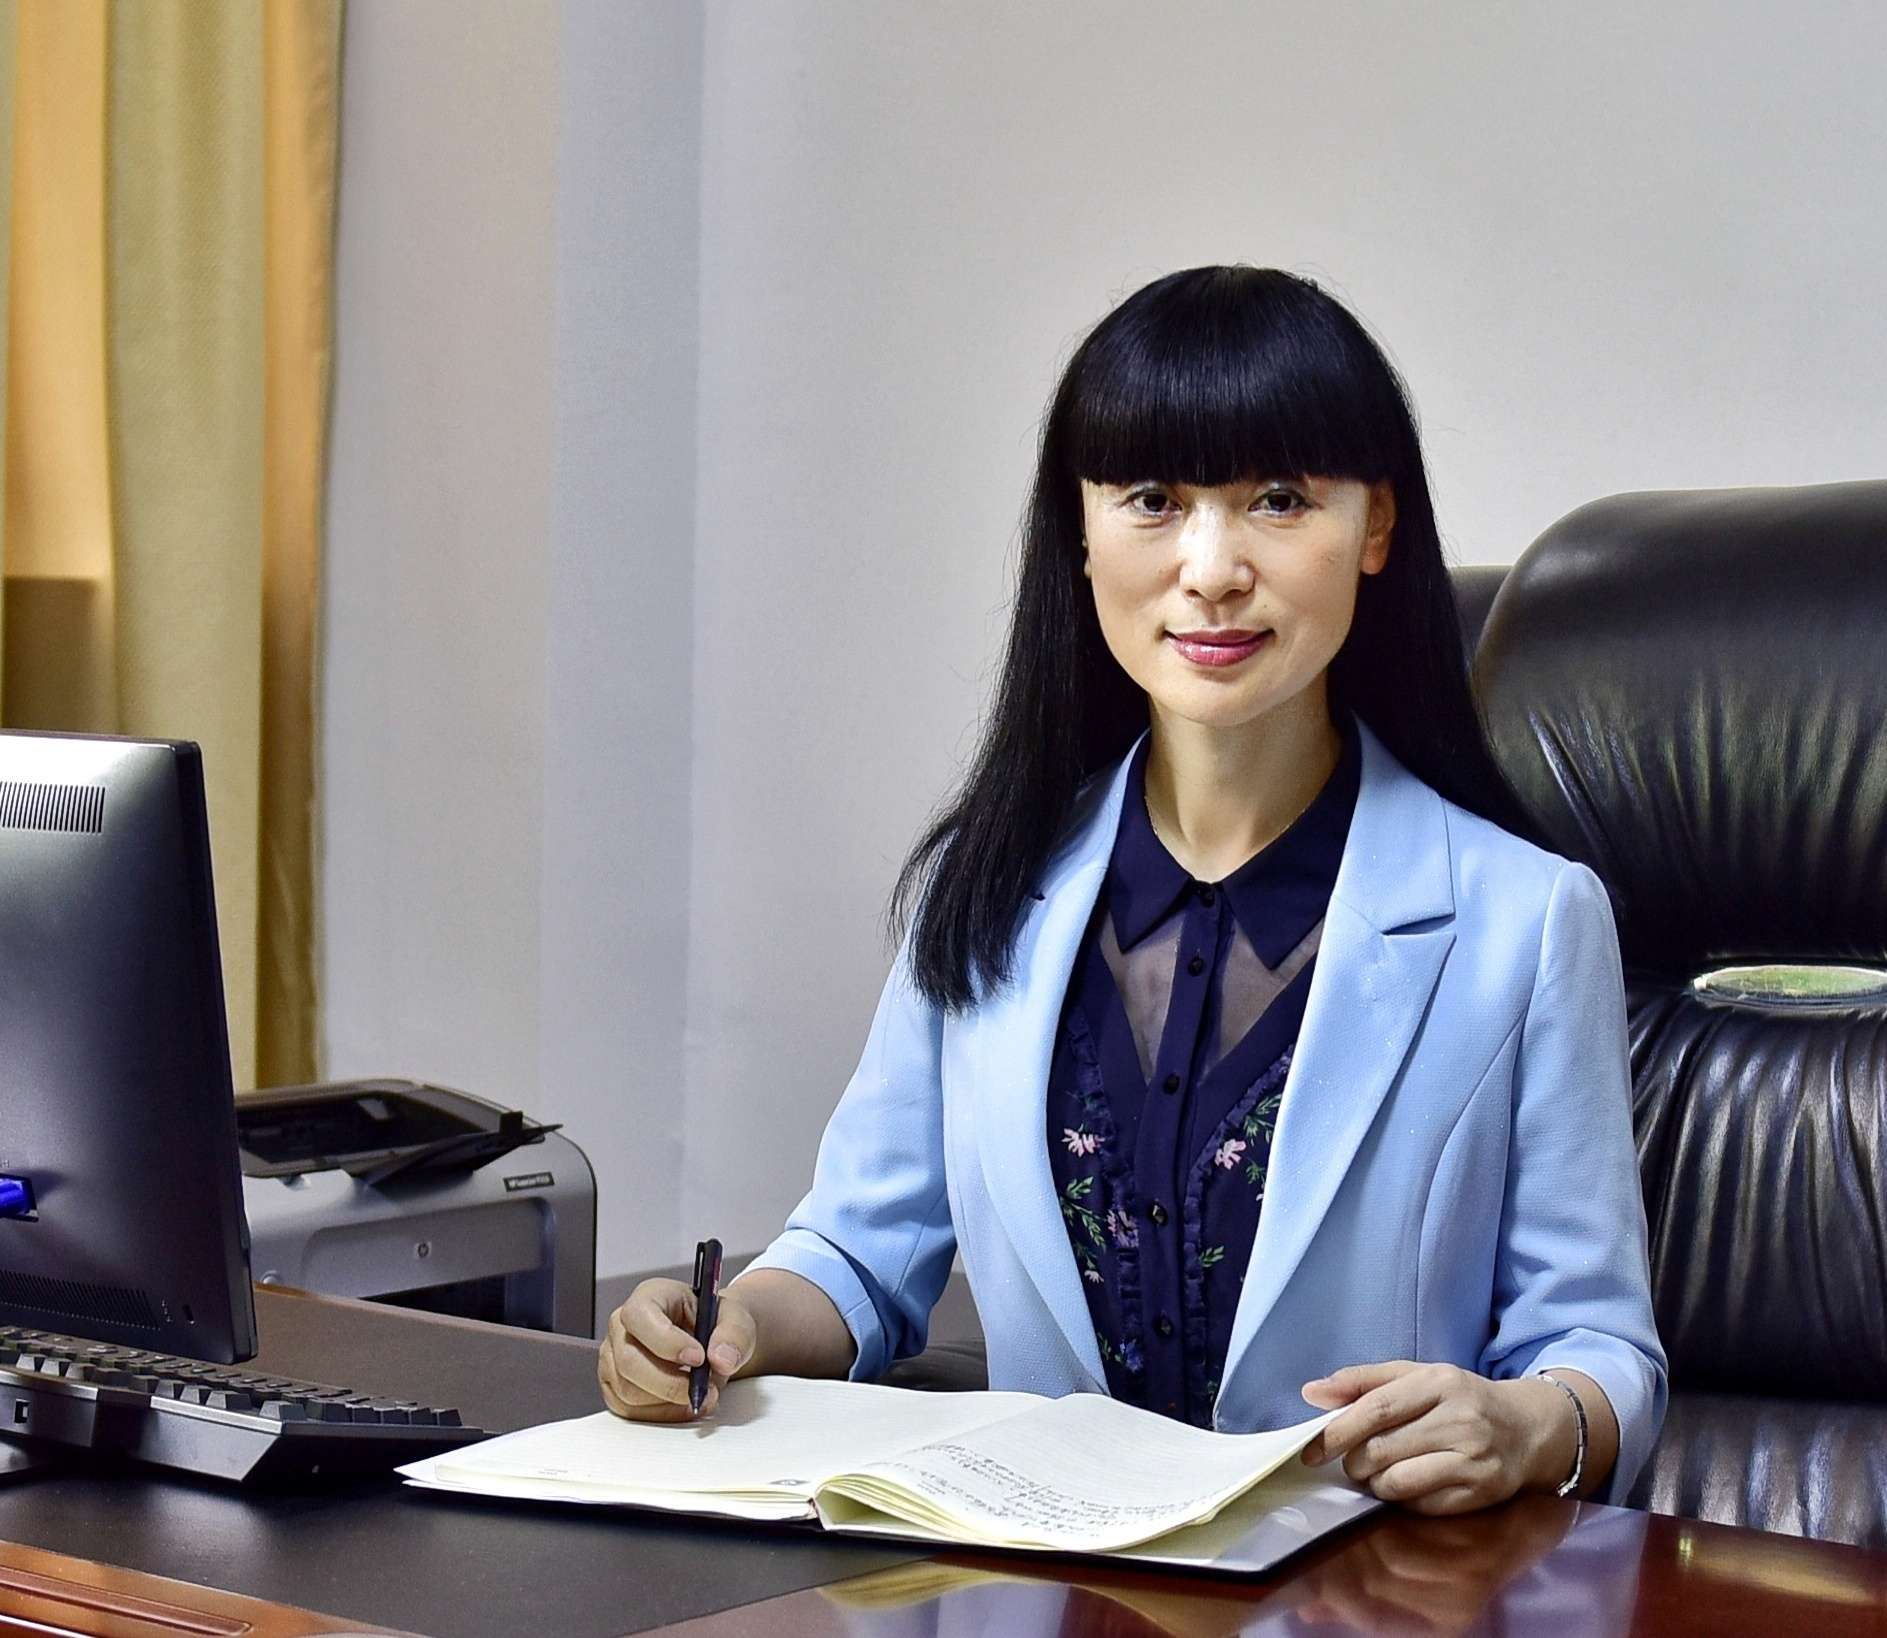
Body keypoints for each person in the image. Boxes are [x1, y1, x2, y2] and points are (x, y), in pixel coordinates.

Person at [599, 265, 1668, 1511]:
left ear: (1375, 526)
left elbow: (1600, 1347)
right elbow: (855, 1255)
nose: (1211, 570)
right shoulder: (985, 883)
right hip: (1037, 1573)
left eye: (1278, 500)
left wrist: (1529, 1424)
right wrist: (722, 1329)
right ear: (1081, 527)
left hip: (1365, 1579)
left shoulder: (1525, 921)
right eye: (1153, 501)